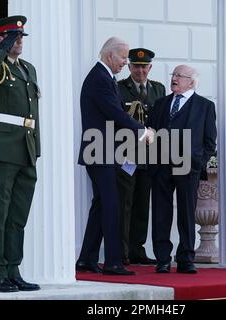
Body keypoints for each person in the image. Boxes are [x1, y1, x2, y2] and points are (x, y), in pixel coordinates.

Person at [76, 37, 154, 276]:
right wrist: (142, 131)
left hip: (103, 151)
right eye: (123, 57)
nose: (125, 62)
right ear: (110, 55)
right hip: (99, 152)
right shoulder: (100, 78)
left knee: (101, 206)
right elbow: (115, 113)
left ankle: (87, 258)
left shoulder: (105, 77)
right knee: (111, 205)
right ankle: (112, 262)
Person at [0, 15, 41, 292]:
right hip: (0, 148)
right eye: (14, 37)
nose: (20, 43)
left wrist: (36, 148)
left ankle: (13, 269)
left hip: (25, 148)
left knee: (17, 215)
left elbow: (32, 112)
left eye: (22, 37)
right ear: (2, 39)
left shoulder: (27, 69)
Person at [148, 65, 217, 274]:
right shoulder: (160, 104)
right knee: (161, 213)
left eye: (179, 76)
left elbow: (209, 141)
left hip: (189, 167)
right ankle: (162, 259)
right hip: (161, 166)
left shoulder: (205, 106)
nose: (174, 79)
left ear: (191, 81)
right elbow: (150, 134)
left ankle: (186, 258)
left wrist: (198, 162)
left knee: (187, 213)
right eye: (173, 75)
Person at [117, 48, 166, 265]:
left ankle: (138, 249)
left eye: (144, 66)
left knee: (143, 204)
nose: (140, 70)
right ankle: (123, 251)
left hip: (149, 156)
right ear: (129, 67)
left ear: (150, 67)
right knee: (125, 203)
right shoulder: (119, 88)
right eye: (136, 66)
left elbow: (161, 120)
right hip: (127, 154)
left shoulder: (158, 89)